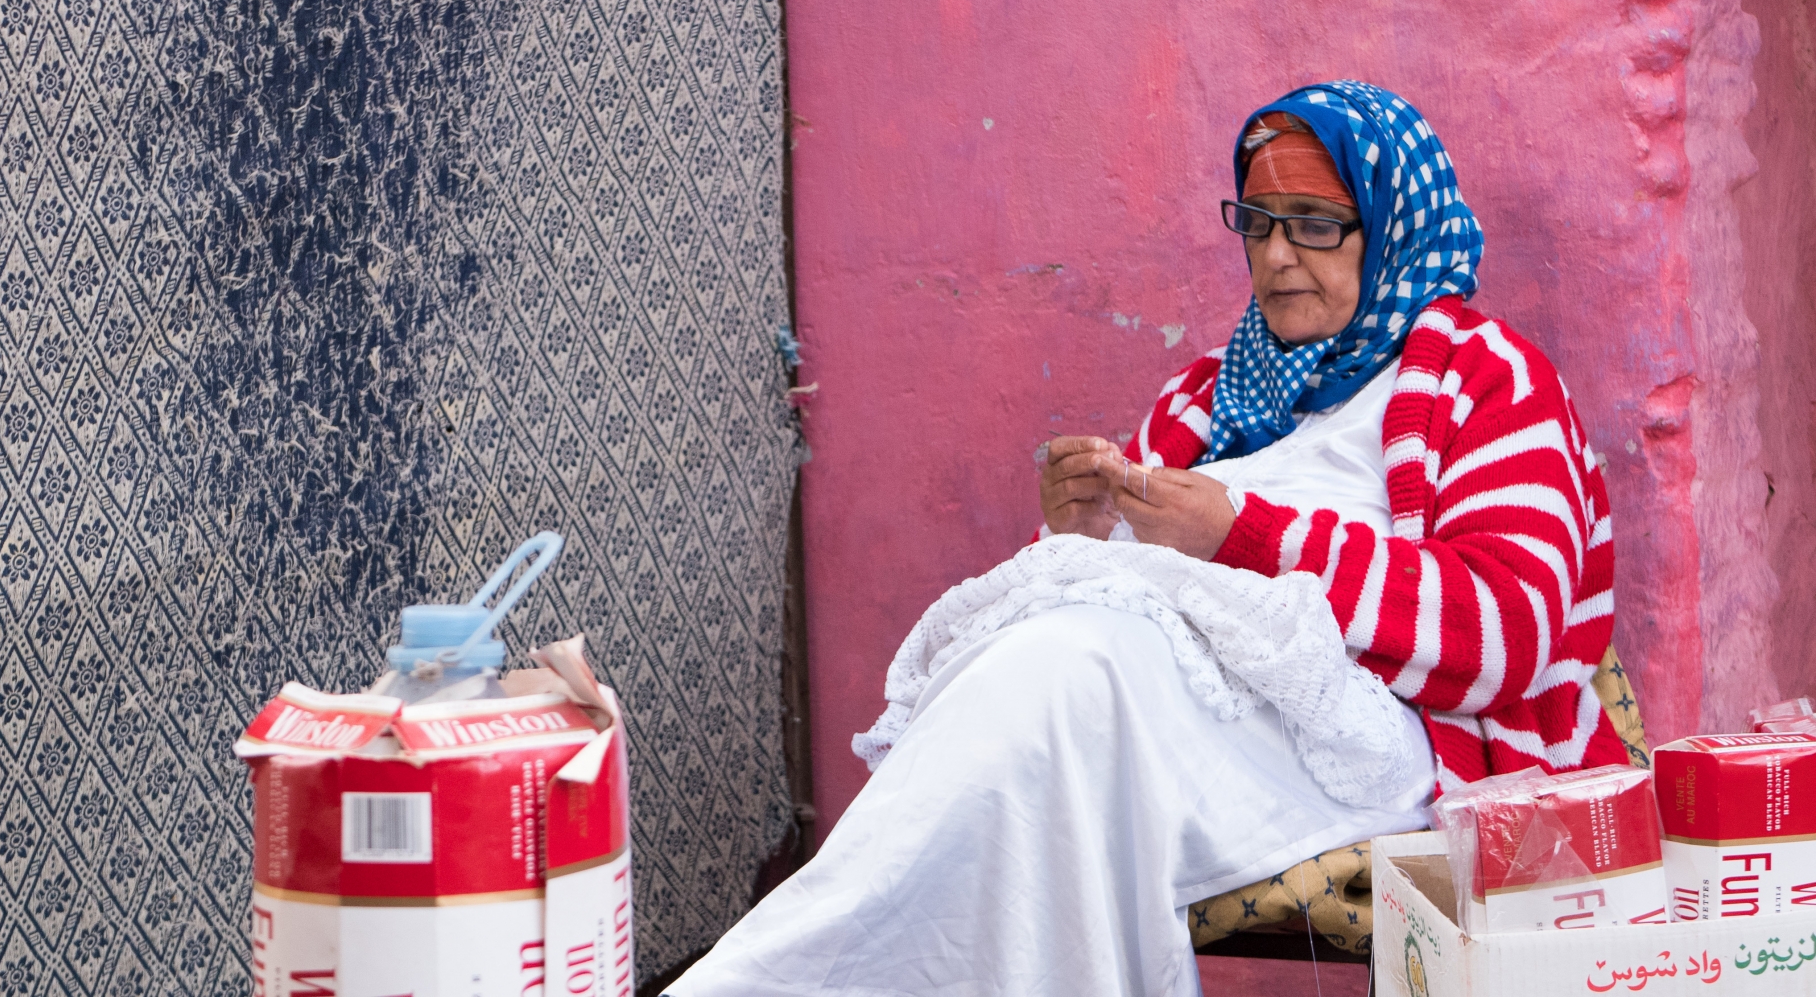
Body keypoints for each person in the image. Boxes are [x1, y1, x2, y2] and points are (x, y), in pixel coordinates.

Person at [668, 81, 1631, 996]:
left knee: (1071, 686)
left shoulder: (1485, 376)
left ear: (1392, 229)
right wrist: (1079, 531)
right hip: (1164, 713)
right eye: (1257, 223)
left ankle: (772, 976)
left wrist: (1242, 534)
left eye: (1317, 226)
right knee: (1041, 713)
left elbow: (1507, 636)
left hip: (1371, 742)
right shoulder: (1208, 392)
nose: (1278, 256)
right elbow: (1134, 591)